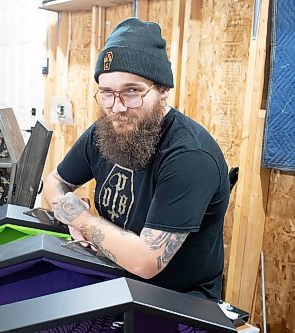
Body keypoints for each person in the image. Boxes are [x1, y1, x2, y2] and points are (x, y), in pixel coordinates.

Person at [43, 17, 229, 302]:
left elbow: (146, 261)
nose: (117, 107)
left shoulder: (190, 155)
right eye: (107, 92)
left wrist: (80, 220)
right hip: (111, 280)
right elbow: (54, 181)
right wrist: (67, 206)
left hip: (175, 303)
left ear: (163, 90)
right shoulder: (104, 130)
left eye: (132, 91)